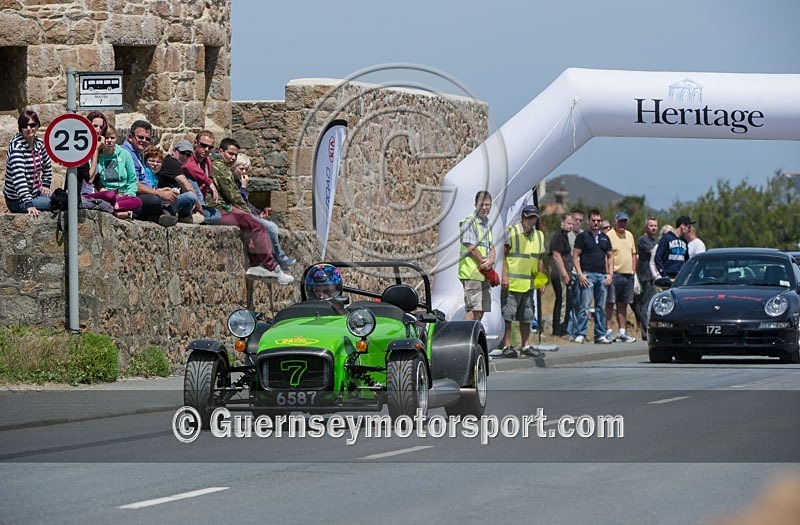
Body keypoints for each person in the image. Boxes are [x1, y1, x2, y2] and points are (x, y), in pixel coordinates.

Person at [202, 134, 293, 284]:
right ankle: (272, 267)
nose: (233, 158)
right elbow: (234, 196)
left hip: (219, 207)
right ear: (220, 151)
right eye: (230, 154)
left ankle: (259, 265)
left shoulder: (214, 164)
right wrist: (250, 214)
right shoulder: (220, 167)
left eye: (235, 155)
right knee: (258, 226)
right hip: (216, 208)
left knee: (254, 225)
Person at [497, 205, 546, 358]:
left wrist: (541, 281)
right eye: (529, 217)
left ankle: (525, 346)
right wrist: (504, 275)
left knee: (527, 316)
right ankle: (507, 346)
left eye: (534, 217)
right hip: (512, 283)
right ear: (523, 217)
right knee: (508, 316)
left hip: (529, 285)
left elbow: (539, 259)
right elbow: (502, 255)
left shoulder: (539, 236)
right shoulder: (512, 232)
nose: (532, 220)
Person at [232, 153, 295, 269]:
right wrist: (244, 188)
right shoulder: (232, 182)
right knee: (271, 227)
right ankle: (279, 258)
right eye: (241, 169)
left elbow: (247, 204)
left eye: (246, 169)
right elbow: (239, 202)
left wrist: (258, 213)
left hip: (245, 214)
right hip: (236, 214)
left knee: (269, 227)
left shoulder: (238, 182)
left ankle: (275, 260)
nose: (244, 172)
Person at [120, 119, 175, 224]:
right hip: (129, 195)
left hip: (143, 194)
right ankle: (155, 216)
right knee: (155, 200)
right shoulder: (127, 153)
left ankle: (159, 215)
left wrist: (160, 191)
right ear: (130, 137)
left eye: (147, 139)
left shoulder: (138, 153)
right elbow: (135, 185)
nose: (144, 141)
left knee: (172, 199)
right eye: (140, 137)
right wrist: (159, 194)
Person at [572, 209, 614, 344]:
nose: (596, 223)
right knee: (584, 306)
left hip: (602, 276)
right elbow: (575, 255)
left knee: (601, 308)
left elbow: (610, 256)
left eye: (598, 220)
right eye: (594, 220)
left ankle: (600, 334)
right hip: (587, 275)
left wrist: (610, 274)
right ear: (588, 221)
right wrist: (580, 274)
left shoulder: (605, 238)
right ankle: (580, 333)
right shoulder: (582, 237)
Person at [3, 109, 53, 215]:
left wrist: (46, 184)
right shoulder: (17, 148)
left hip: (35, 192)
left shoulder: (39, 143)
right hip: (18, 200)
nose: (28, 128)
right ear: (20, 127)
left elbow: (47, 165)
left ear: (37, 125)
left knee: (62, 198)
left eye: (32, 125)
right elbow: (19, 177)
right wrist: (28, 204)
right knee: (55, 203)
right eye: (24, 126)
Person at [458, 191, 496, 322]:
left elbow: (491, 247)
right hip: (471, 273)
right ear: (476, 205)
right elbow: (471, 247)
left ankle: (474, 335)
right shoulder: (469, 222)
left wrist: (491, 260)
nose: (484, 208)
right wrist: (486, 264)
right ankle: (463, 334)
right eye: (481, 204)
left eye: (487, 205)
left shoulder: (487, 224)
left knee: (480, 312)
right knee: (473, 311)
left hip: (483, 274)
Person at [91, 125, 143, 219]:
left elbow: (132, 179)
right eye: (107, 138)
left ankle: (114, 209)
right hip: (106, 194)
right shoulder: (96, 155)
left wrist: (130, 193)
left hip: (122, 194)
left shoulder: (125, 154)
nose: (109, 140)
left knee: (137, 202)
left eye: (112, 138)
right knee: (107, 197)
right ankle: (122, 212)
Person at [604, 212, 638, 343]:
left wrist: (633, 271)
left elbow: (633, 254)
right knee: (610, 302)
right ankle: (608, 330)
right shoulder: (609, 235)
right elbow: (607, 255)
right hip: (614, 273)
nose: (622, 224)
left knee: (623, 303)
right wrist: (608, 272)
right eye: (620, 221)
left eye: (624, 221)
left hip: (628, 274)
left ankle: (622, 331)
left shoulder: (629, 235)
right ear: (615, 222)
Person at [144, 145, 197, 222]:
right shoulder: (147, 172)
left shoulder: (155, 175)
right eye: (151, 161)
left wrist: (164, 190)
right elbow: (149, 191)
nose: (155, 164)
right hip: (152, 202)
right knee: (190, 196)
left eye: (158, 162)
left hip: (159, 200)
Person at [182, 130, 221, 223]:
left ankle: (196, 216)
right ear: (195, 143)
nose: (206, 149)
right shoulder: (187, 154)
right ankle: (196, 213)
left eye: (210, 147)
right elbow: (188, 166)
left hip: (199, 203)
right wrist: (209, 182)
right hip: (185, 198)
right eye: (203, 145)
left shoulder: (208, 163)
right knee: (191, 180)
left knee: (217, 216)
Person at [548, 212, 574, 337]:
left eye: (572, 224)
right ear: (562, 222)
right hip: (559, 274)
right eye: (568, 223)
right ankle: (559, 329)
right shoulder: (558, 236)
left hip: (563, 273)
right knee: (563, 301)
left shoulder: (565, 236)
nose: (570, 226)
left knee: (563, 300)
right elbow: (556, 255)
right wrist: (564, 274)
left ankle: (560, 328)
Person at [633, 217, 658, 340]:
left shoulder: (655, 240)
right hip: (646, 277)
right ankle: (645, 332)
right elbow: (654, 251)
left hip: (654, 276)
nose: (653, 228)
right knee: (645, 305)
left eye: (655, 226)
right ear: (646, 227)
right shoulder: (643, 240)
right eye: (651, 225)